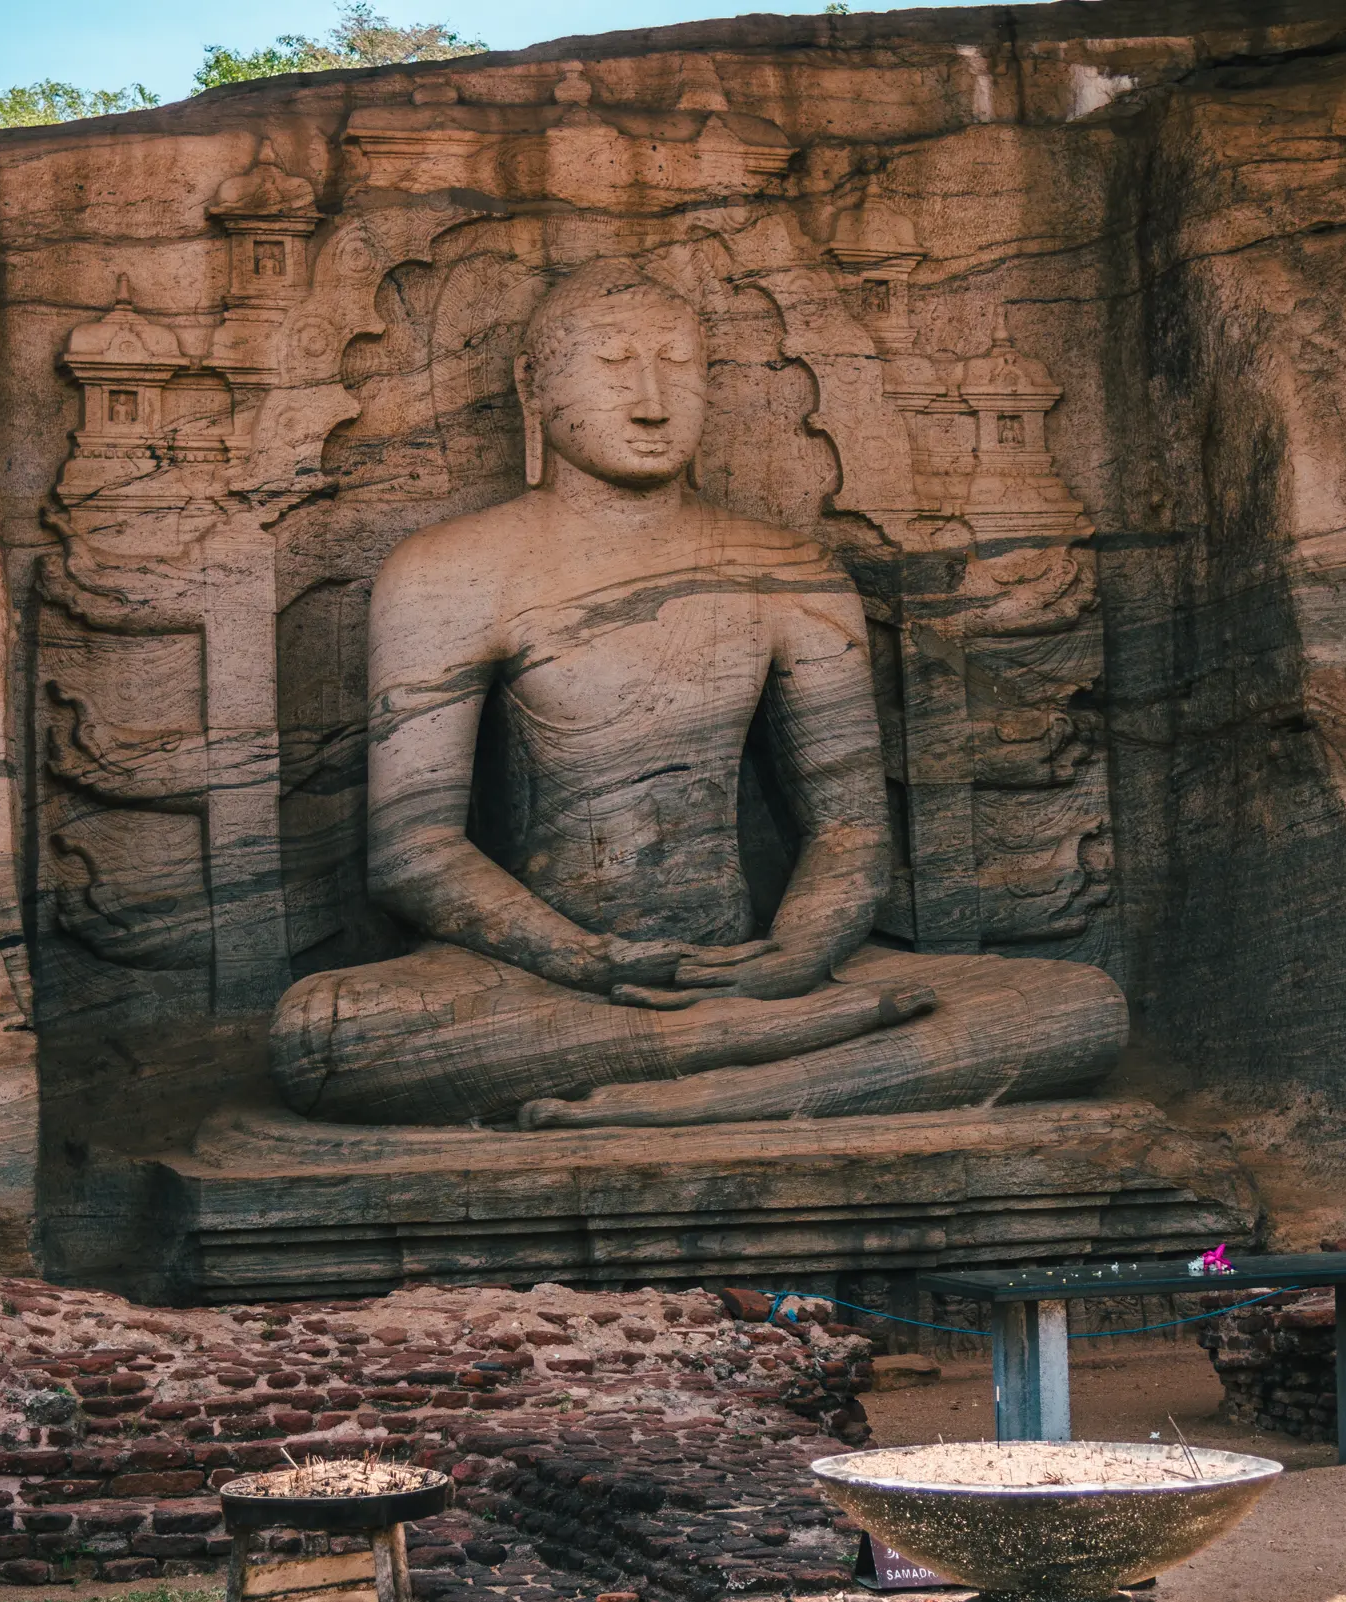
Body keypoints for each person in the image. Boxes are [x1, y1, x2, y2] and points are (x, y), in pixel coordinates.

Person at [270, 259, 1126, 1127]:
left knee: (1079, 1007)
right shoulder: (449, 572)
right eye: (611, 364)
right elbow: (414, 856)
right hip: (536, 979)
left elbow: (849, 829)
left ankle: (698, 1082)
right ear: (534, 384)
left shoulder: (787, 570)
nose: (650, 399)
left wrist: (795, 955)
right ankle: (734, 1057)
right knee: (327, 1038)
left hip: (757, 971)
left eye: (678, 364)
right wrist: (582, 958)